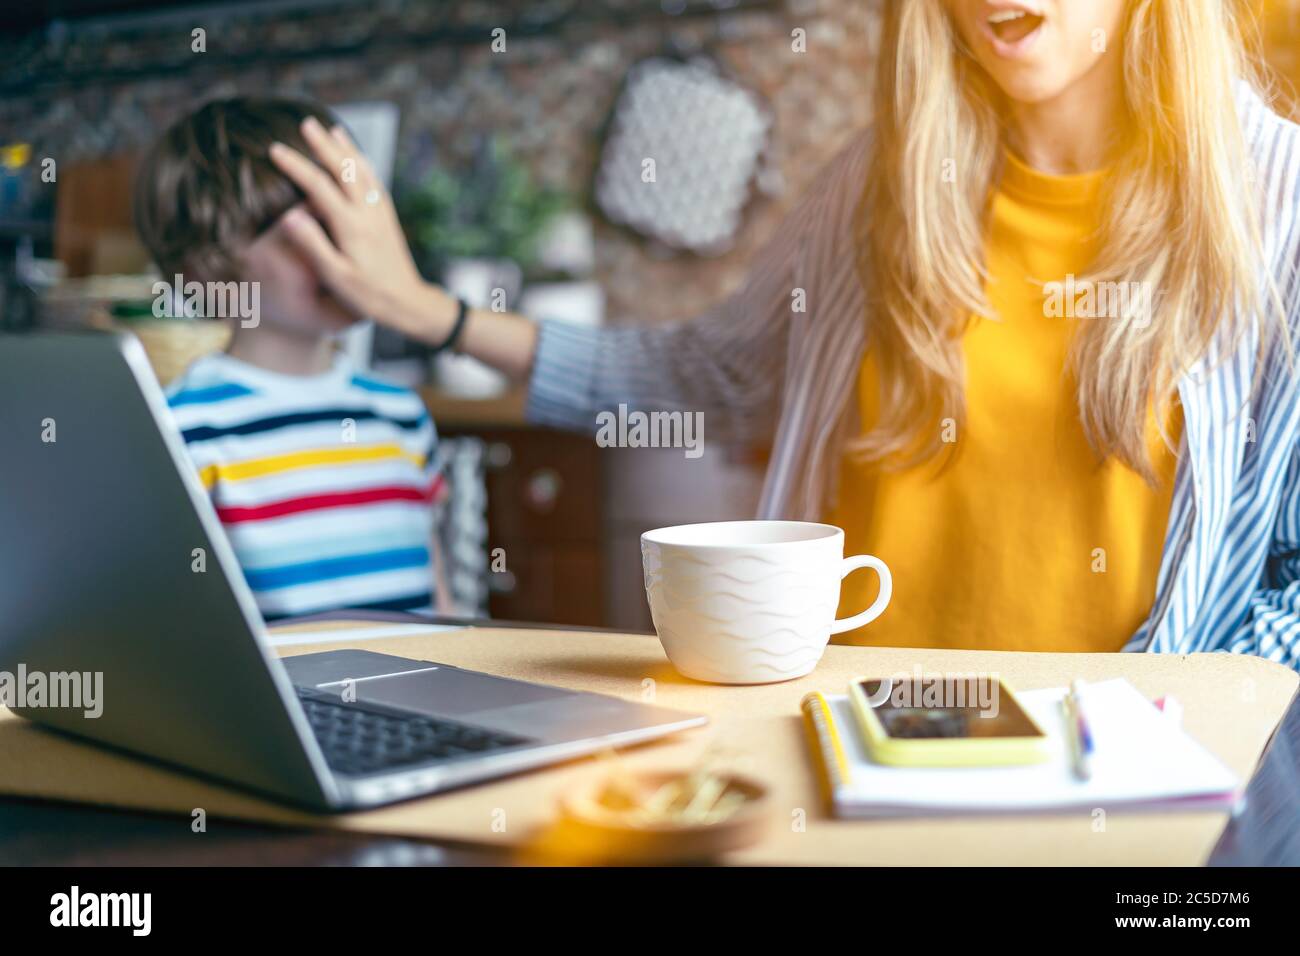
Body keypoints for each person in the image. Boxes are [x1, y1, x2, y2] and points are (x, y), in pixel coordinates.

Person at [267, 2, 1300, 668]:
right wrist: (427, 314)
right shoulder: (875, 188)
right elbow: (698, 375)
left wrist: (1203, 709)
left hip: (1120, 784)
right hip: (858, 753)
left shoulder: (1282, 205)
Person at [135, 96, 452, 621]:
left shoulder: (402, 414)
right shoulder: (178, 432)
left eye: (346, 223)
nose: (345, 252)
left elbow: (440, 606)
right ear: (207, 271)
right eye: (307, 232)